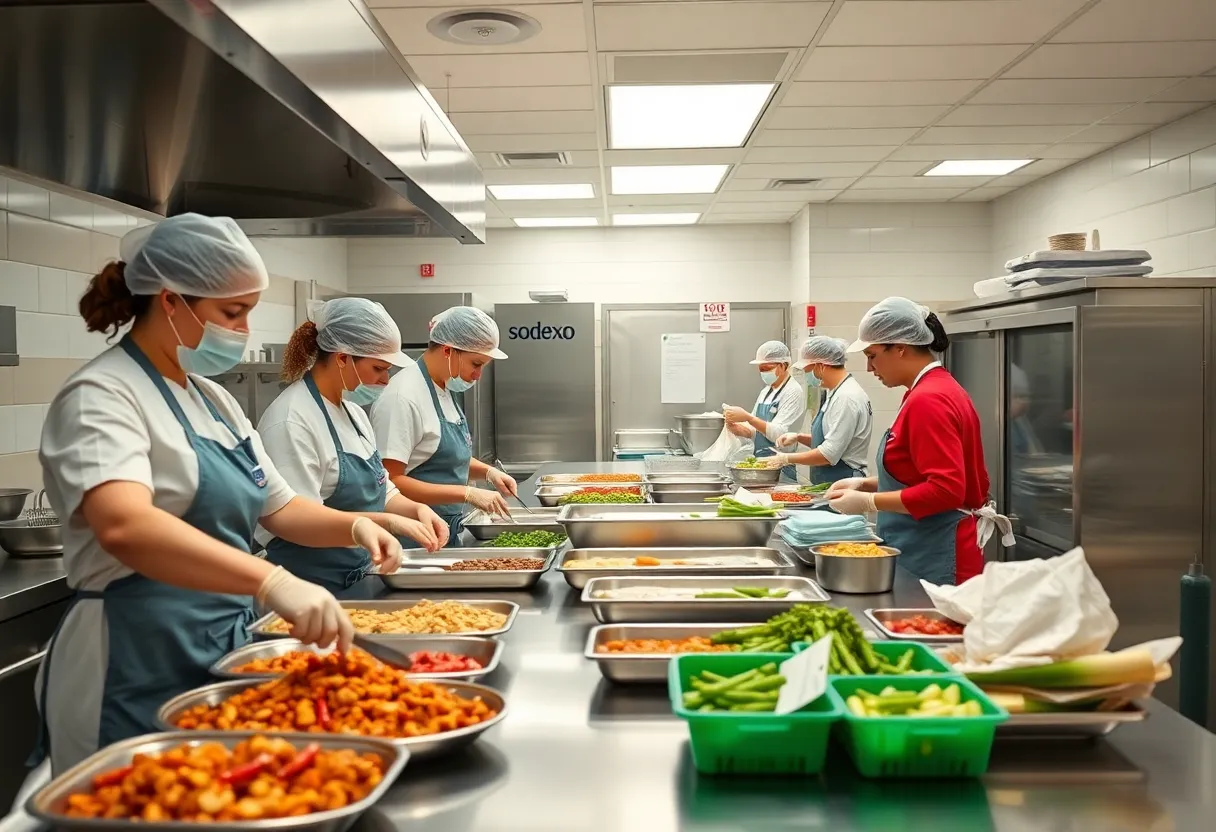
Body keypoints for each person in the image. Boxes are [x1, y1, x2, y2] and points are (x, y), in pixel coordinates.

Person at [32, 214, 406, 776]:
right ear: (171, 300)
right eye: (233, 312)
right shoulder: (102, 395)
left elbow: (279, 508)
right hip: (133, 654)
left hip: (221, 647)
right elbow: (124, 526)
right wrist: (270, 579)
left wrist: (356, 525)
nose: (244, 330)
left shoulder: (214, 400)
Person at [256, 297, 453, 598]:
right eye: (378, 368)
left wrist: (416, 509)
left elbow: (382, 488)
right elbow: (299, 518)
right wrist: (388, 522)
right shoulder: (292, 420)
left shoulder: (353, 413)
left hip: (360, 578)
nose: (385, 380)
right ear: (342, 357)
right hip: (310, 589)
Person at [825, 297, 1012, 586]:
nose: (869, 367)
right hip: (921, 545)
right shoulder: (926, 391)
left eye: (873, 355)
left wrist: (869, 501)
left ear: (900, 348)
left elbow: (946, 490)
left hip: (937, 552)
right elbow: (916, 472)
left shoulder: (929, 400)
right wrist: (864, 484)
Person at [372, 306, 516, 543]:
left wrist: (489, 472)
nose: (478, 375)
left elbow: (441, 455)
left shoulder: (443, 387)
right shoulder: (403, 397)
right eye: (476, 364)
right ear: (449, 351)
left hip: (443, 530)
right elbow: (389, 481)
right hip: (414, 538)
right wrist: (467, 493)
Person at [767, 336, 872, 485]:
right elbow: (833, 439)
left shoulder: (847, 397)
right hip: (830, 482)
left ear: (821, 366)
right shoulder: (834, 392)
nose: (806, 375)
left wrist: (785, 459)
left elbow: (828, 454)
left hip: (844, 480)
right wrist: (799, 437)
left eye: (807, 370)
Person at [722, 340, 806, 481]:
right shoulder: (767, 391)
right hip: (761, 466)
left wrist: (748, 418)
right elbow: (757, 431)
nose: (763, 372)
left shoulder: (793, 391)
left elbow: (780, 434)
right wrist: (739, 429)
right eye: (760, 368)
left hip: (781, 468)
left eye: (766, 368)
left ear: (783, 365)